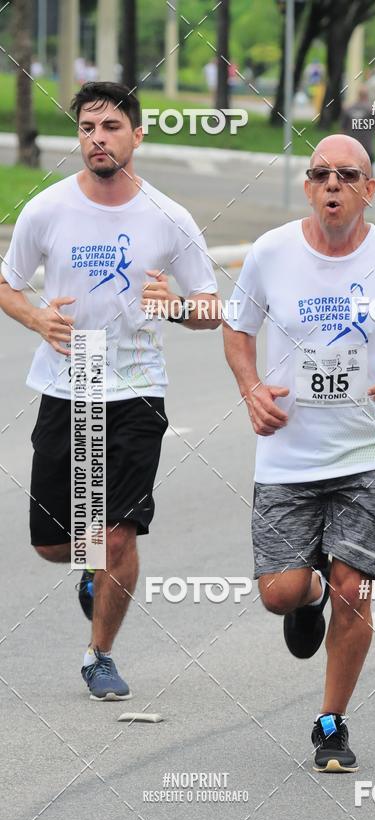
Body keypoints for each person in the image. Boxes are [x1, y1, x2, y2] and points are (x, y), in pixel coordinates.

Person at [223, 134, 375, 771]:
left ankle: (331, 722)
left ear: (368, 190)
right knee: (279, 592)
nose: (333, 184)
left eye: (347, 175)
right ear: (307, 186)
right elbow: (237, 329)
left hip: (368, 453)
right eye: (321, 173)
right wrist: (250, 390)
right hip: (287, 455)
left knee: (355, 589)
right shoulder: (271, 252)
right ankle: (308, 594)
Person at [0, 82, 219, 701]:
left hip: (136, 388)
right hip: (67, 384)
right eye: (88, 126)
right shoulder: (47, 209)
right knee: (52, 542)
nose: (98, 137)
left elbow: (211, 308)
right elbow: (7, 284)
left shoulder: (168, 216)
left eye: (112, 126)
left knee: (117, 532)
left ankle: (99, 654)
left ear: (138, 134)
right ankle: (90, 569)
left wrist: (175, 307)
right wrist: (37, 319)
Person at [341, 85, 375, 167]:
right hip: (367, 148)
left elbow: (342, 130)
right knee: (368, 173)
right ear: (367, 95)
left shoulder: (349, 109)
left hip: (351, 148)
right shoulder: (371, 110)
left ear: (358, 95)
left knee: (352, 173)